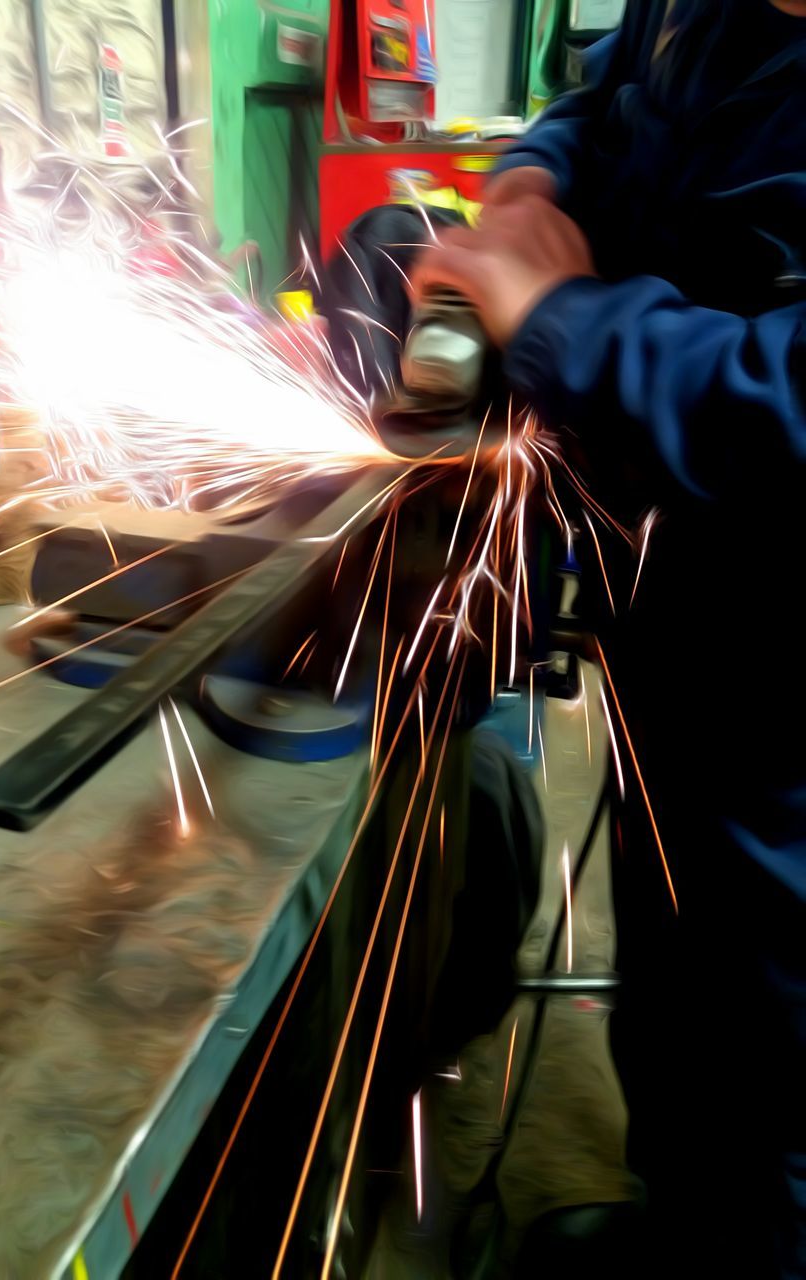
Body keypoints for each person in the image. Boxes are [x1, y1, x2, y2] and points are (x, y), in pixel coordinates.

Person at [409, 1, 806, 1276]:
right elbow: (612, 88)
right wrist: (532, 178)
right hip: (681, 623)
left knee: (780, 1054)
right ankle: (688, 1221)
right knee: (678, 985)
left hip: (794, 693)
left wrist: (560, 319)